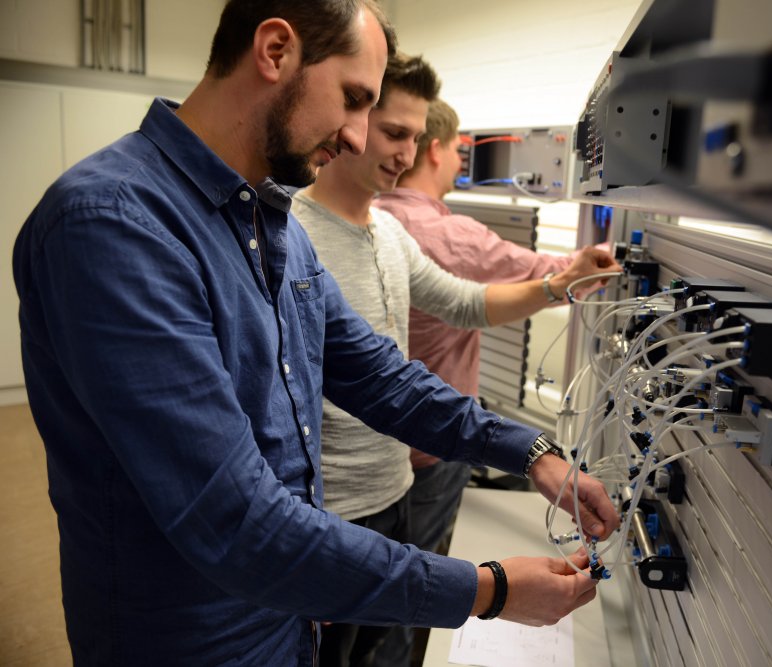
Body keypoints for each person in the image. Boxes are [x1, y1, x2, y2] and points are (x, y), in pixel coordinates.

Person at [11, 2, 620, 665]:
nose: (358, 138)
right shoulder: (113, 224)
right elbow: (234, 521)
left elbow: (384, 379)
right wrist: (486, 590)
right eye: (354, 100)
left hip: (293, 617)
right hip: (192, 639)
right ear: (274, 51)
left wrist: (531, 450)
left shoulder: (277, 229)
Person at [291, 52, 619, 666]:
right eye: (394, 133)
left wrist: (560, 282)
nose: (407, 154)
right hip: (328, 511)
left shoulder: (391, 234)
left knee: (384, 651)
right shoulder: (293, 234)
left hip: (394, 493)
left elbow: (464, 303)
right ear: (351, 122)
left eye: (417, 137)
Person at [375, 99, 606, 658]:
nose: (461, 164)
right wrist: (596, 263)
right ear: (434, 149)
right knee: (413, 593)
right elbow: (543, 273)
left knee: (383, 588)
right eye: (458, 151)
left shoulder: (379, 221)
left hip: (384, 448)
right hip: (433, 449)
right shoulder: (452, 235)